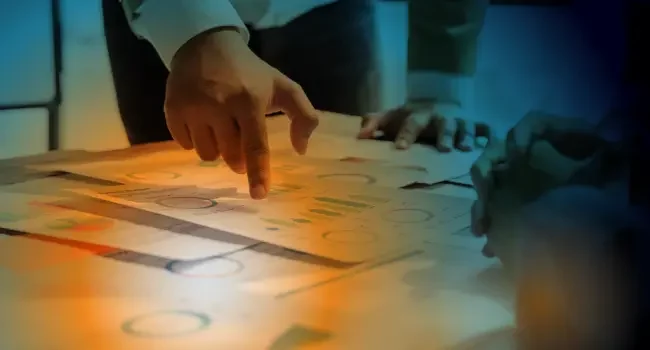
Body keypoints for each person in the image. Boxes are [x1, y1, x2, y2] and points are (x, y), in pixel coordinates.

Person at [103, 0, 492, 200]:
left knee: (349, 206)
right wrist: (189, 27)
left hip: (326, 10)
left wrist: (441, 88)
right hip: (160, 13)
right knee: (168, 205)